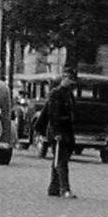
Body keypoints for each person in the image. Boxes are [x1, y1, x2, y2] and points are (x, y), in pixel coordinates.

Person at [36, 69, 78, 199]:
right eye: (68, 79)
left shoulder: (69, 94)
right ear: (63, 79)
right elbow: (53, 114)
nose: (70, 82)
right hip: (57, 131)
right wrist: (56, 132)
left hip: (67, 130)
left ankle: (53, 188)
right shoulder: (55, 93)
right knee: (61, 160)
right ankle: (65, 188)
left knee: (59, 160)